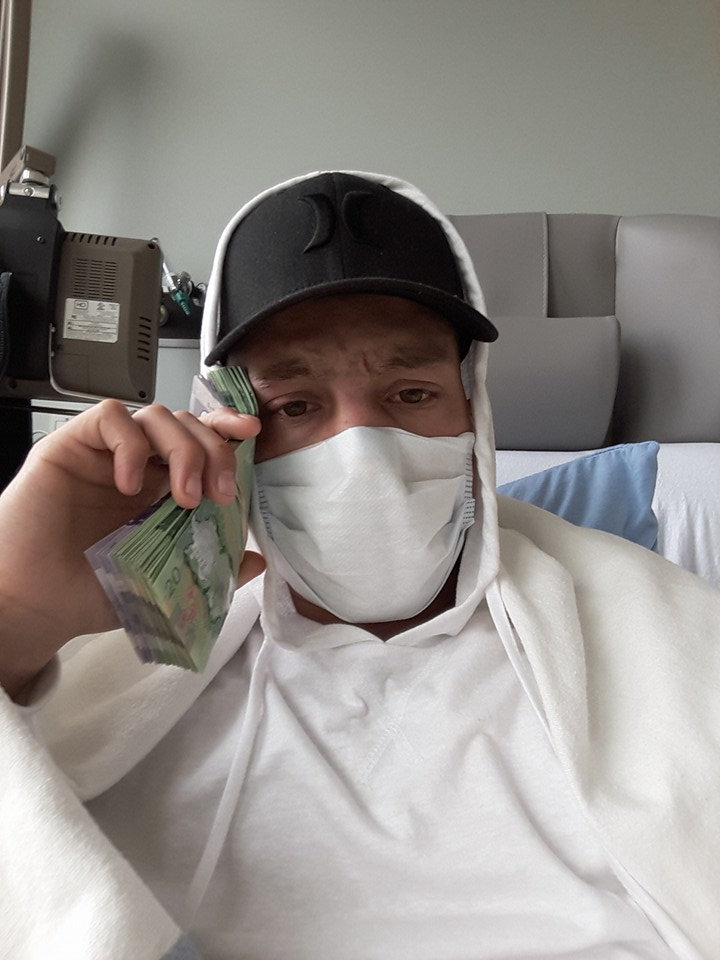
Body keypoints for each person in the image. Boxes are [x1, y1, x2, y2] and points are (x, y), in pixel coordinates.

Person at [0, 171, 718, 960]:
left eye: (411, 394)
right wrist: (15, 616)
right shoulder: (129, 637)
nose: (363, 453)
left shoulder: (658, 633)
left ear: (473, 409)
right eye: (295, 406)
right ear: (224, 421)